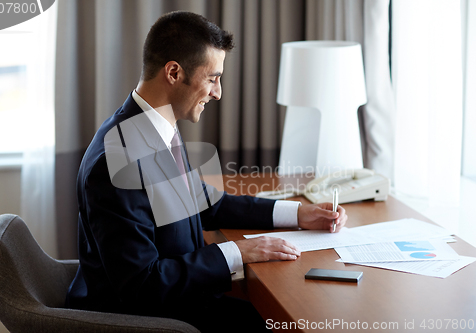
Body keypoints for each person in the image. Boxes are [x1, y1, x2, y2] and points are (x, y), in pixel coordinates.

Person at [65, 11, 348, 332]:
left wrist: (299, 214)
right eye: (212, 78)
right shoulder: (115, 161)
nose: (218, 92)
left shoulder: (156, 125)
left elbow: (204, 203)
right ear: (173, 72)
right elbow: (141, 285)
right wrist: (238, 251)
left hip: (183, 301)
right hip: (150, 319)